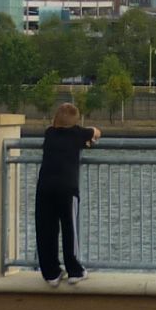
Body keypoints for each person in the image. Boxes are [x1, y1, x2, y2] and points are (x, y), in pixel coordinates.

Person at [36, 102, 101, 288]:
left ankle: (51, 273)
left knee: (45, 230)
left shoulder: (49, 133)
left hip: (44, 188)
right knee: (69, 228)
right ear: (75, 121)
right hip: (66, 189)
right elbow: (96, 132)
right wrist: (89, 140)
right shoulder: (78, 134)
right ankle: (74, 270)